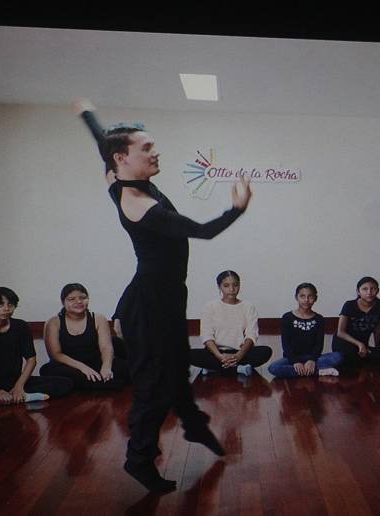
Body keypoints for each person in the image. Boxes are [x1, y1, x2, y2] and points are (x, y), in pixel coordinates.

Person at [74, 98, 251, 492]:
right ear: (123, 158)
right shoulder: (139, 204)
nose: (156, 152)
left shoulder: (116, 179)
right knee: (153, 386)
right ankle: (138, 459)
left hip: (166, 299)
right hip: (149, 305)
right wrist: (237, 209)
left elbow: (103, 143)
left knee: (176, 366)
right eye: (147, 148)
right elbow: (203, 231)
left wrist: (88, 115)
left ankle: (193, 425)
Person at [40, 283, 129, 391]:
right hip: (71, 366)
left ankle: (96, 383)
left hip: (95, 362)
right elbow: (55, 354)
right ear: (63, 302)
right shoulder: (53, 322)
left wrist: (106, 367)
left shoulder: (98, 318)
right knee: (47, 370)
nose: (78, 302)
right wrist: (83, 368)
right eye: (72, 299)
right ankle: (104, 384)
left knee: (125, 368)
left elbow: (106, 347)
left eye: (83, 298)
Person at [191, 271, 272, 376]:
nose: (231, 289)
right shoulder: (210, 307)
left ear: (239, 285)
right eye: (226, 286)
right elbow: (206, 336)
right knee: (187, 354)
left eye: (235, 285)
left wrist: (238, 356)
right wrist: (219, 356)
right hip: (216, 352)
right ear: (219, 287)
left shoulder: (248, 307)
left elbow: (251, 335)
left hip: (240, 352)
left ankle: (214, 368)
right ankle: (238, 369)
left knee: (265, 351)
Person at [269, 283, 343, 378]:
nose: (306, 300)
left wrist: (312, 360)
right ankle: (317, 372)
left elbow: (319, 344)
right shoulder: (287, 317)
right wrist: (295, 361)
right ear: (296, 297)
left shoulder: (319, 319)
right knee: (273, 368)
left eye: (310, 296)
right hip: (292, 359)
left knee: (338, 356)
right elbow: (285, 344)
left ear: (315, 298)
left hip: (313, 358)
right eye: (302, 296)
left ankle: (305, 370)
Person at [331, 276, 380, 367]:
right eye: (365, 289)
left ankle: (360, 358)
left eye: (373, 288)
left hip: (363, 345)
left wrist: (377, 349)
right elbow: (340, 333)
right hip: (344, 343)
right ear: (358, 291)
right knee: (350, 357)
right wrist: (359, 344)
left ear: (377, 290)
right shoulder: (349, 305)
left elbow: (377, 329)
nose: (369, 292)